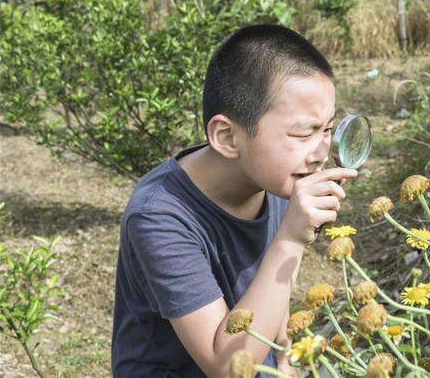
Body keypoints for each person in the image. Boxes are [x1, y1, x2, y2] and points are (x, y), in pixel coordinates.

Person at [111, 24, 356, 377]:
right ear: (227, 136)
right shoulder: (159, 216)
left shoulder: (276, 178)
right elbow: (227, 368)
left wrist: (284, 353)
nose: (320, 152)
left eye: (327, 129)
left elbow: (273, 282)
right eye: (304, 133)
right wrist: (292, 237)